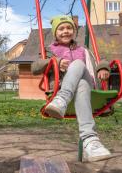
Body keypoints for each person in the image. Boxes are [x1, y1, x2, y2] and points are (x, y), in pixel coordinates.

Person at [31, 15, 112, 162]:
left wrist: (103, 67)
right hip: (64, 86)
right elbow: (35, 67)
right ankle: (91, 141)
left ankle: (62, 100)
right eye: (61, 29)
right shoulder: (49, 51)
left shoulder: (84, 49)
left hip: (89, 87)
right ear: (55, 33)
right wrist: (55, 61)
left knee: (79, 65)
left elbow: (101, 59)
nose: (65, 31)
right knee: (80, 82)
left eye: (69, 28)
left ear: (74, 31)